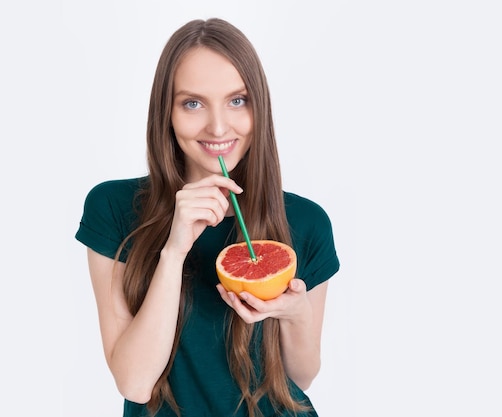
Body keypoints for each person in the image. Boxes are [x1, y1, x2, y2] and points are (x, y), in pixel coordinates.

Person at [75, 17, 340, 417]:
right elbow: (134, 381)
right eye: (193, 103)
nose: (218, 126)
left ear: (259, 108)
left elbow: (299, 378)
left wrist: (294, 311)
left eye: (238, 100)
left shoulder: (306, 222)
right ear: (167, 112)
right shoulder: (113, 208)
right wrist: (174, 248)